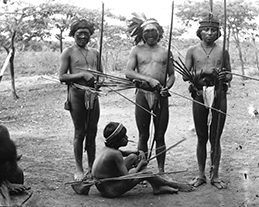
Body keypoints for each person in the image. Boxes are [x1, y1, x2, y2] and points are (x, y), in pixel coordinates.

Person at [71, 122, 194, 198]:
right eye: (124, 137)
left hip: (104, 186)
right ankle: (167, 184)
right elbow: (127, 177)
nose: (127, 138)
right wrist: (141, 165)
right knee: (146, 173)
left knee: (132, 157)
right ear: (117, 141)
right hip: (110, 190)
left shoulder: (108, 149)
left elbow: (124, 153)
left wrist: (137, 152)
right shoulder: (115, 155)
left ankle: (157, 186)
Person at [183, 13, 232, 189]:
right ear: (200, 32)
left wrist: (223, 75)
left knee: (216, 136)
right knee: (201, 136)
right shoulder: (192, 50)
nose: (209, 33)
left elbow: (230, 75)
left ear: (218, 33)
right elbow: (185, 76)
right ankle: (201, 174)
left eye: (213, 30)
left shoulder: (222, 50)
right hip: (199, 93)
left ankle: (216, 175)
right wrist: (204, 71)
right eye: (206, 30)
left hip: (219, 93)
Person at [125, 17, 175, 174]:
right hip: (143, 94)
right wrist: (148, 79)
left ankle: (161, 171)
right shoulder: (137, 51)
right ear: (142, 33)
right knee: (143, 135)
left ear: (159, 32)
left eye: (153, 31)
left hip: (160, 96)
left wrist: (167, 87)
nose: (150, 34)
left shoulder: (165, 52)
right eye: (147, 31)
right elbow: (128, 72)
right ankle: (142, 171)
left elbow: (172, 75)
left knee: (160, 135)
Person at [59, 19, 103, 181]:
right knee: (80, 132)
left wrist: (100, 82)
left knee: (92, 132)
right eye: (79, 33)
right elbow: (62, 77)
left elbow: (101, 75)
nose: (83, 36)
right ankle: (79, 169)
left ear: (90, 35)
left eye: (86, 33)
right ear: (73, 34)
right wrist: (82, 75)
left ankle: (92, 168)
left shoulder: (95, 53)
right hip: (77, 95)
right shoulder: (68, 52)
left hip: (93, 95)